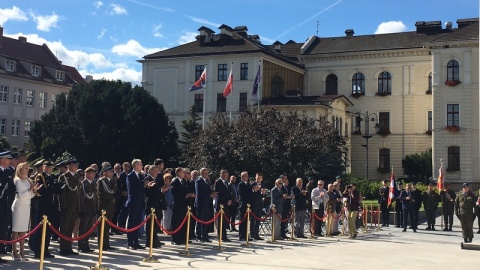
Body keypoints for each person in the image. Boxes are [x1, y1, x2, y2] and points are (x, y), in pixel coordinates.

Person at [11, 162, 41, 261]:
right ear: (20, 170)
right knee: (16, 230)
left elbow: (30, 196)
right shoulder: (17, 180)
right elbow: (20, 195)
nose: (27, 170)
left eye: (28, 168)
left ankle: (22, 252)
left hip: (26, 207)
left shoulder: (28, 180)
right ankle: (14, 251)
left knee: (23, 230)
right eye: (25, 168)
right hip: (19, 206)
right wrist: (30, 189)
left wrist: (34, 190)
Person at [57, 158, 83, 256]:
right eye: (73, 165)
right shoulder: (64, 177)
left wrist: (80, 206)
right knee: (64, 228)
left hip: (75, 206)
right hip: (67, 206)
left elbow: (79, 193)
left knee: (70, 228)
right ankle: (63, 248)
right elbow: (62, 193)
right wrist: (62, 206)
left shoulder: (77, 176)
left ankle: (69, 247)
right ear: (68, 166)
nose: (76, 167)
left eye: (76, 165)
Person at [32, 160, 57, 258]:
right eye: (47, 167)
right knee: (39, 229)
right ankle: (37, 250)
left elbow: (55, 189)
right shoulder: (40, 176)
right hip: (42, 205)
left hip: (49, 206)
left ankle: (45, 249)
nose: (48, 169)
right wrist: (52, 188)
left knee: (48, 230)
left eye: (50, 167)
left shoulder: (51, 177)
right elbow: (41, 191)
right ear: (44, 167)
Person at [125, 159, 146, 250]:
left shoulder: (141, 176)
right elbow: (132, 189)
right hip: (133, 202)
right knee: (132, 223)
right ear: (135, 166)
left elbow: (142, 188)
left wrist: (147, 185)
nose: (141, 166)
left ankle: (136, 242)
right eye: (140, 164)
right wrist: (143, 185)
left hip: (140, 202)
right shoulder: (130, 176)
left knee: (137, 223)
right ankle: (130, 242)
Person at [78, 167, 98, 253]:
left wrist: (96, 208)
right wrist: (81, 209)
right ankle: (81, 245)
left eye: (93, 174)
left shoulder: (93, 183)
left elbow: (95, 197)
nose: (93, 175)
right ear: (86, 174)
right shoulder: (83, 184)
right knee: (83, 228)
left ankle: (86, 244)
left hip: (92, 208)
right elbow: (81, 197)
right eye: (91, 173)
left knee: (89, 228)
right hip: (85, 208)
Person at [97, 164, 117, 250]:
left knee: (107, 227)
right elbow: (102, 194)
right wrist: (111, 195)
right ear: (104, 172)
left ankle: (106, 244)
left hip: (111, 206)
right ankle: (101, 244)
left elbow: (116, 191)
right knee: (102, 226)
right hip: (104, 206)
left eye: (112, 171)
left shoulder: (112, 180)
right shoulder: (101, 181)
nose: (111, 172)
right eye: (109, 171)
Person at [143, 165, 163, 248]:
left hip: (156, 203)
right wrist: (147, 186)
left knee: (155, 223)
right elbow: (147, 190)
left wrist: (162, 190)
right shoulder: (147, 178)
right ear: (150, 171)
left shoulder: (156, 179)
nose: (157, 172)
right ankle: (149, 241)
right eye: (155, 170)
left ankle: (154, 240)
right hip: (151, 203)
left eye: (157, 171)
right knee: (150, 224)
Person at [195, 168, 216, 243]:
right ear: (201, 174)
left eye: (207, 173)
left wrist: (213, 192)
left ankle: (204, 235)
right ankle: (198, 236)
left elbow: (209, 190)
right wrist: (209, 195)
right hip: (200, 203)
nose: (207, 175)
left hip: (207, 203)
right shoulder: (199, 181)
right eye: (205, 173)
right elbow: (199, 193)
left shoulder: (207, 181)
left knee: (205, 220)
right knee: (200, 220)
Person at [170, 167, 190, 245]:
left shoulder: (183, 181)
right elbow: (175, 193)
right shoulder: (175, 181)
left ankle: (181, 238)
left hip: (183, 204)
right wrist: (185, 196)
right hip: (177, 204)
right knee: (176, 222)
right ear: (178, 173)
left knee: (182, 221)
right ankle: (174, 238)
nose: (184, 174)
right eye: (182, 172)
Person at [214, 169, 232, 242]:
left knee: (225, 221)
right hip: (221, 204)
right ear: (220, 174)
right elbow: (218, 193)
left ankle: (224, 235)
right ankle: (221, 235)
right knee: (221, 221)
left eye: (226, 175)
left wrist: (230, 200)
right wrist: (225, 201)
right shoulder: (218, 182)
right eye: (223, 175)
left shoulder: (227, 182)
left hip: (227, 204)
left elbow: (229, 193)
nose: (225, 176)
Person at [238, 171, 252, 241]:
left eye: (247, 176)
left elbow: (250, 193)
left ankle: (246, 235)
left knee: (246, 221)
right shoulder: (240, 184)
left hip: (248, 205)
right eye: (246, 176)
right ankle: (241, 235)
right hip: (243, 204)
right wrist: (251, 191)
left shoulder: (249, 184)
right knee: (242, 220)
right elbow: (243, 194)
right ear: (242, 177)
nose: (247, 177)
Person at [250, 173, 265, 241]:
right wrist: (255, 189)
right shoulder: (253, 184)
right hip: (254, 203)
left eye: (260, 178)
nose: (259, 179)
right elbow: (252, 192)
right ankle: (252, 234)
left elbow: (263, 194)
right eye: (258, 178)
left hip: (260, 203)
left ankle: (257, 233)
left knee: (258, 219)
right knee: (253, 219)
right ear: (256, 178)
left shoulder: (263, 185)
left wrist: (263, 193)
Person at [117, 162, 131, 231]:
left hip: (128, 195)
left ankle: (123, 226)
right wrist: (122, 192)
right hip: (123, 196)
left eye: (129, 166)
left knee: (126, 212)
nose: (128, 167)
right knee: (121, 212)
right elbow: (119, 185)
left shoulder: (129, 175)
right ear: (124, 167)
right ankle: (119, 227)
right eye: (127, 166)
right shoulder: (121, 175)